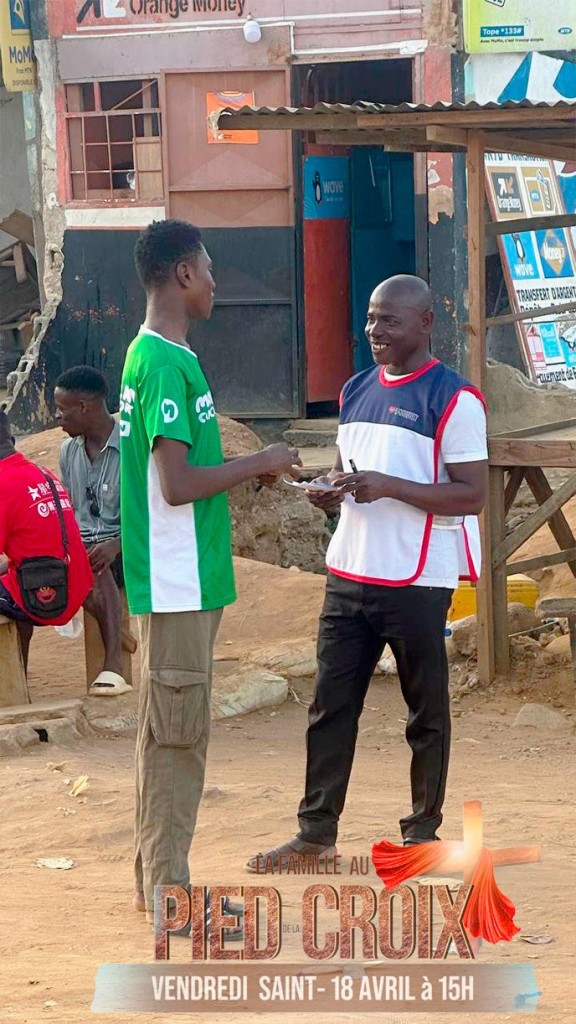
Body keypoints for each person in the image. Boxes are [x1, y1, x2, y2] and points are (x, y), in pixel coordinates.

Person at [246, 274, 488, 871]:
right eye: (372, 318)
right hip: (350, 571)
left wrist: (388, 486)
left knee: (425, 713)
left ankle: (421, 836)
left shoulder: (455, 399)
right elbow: (350, 469)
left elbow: (471, 495)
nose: (375, 330)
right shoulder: (355, 389)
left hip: (416, 577)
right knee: (329, 707)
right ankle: (315, 835)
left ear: (426, 323)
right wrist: (329, 491)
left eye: (390, 321)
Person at [120, 218, 300, 922]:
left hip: (183, 579)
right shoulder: (165, 363)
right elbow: (176, 484)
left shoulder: (159, 354)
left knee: (165, 732)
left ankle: (156, 882)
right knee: (178, 738)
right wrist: (260, 460)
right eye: (210, 269)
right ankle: (170, 896)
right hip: (177, 581)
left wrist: (251, 470)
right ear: (184, 274)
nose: (218, 282)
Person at [55, 365, 131, 697]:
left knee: (98, 565)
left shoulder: (132, 445)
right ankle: (119, 638)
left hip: (127, 548)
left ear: (84, 407)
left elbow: (152, 512)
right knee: (30, 566)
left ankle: (113, 664)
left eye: (62, 409)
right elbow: (70, 512)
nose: (57, 417)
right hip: (83, 548)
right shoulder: (68, 451)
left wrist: (117, 544)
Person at [0, 410, 93, 673]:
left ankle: (11, 681)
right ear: (12, 440)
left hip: (45, 597)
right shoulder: (40, 472)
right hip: (74, 583)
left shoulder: (3, 483)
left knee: (9, 591)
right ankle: (19, 675)